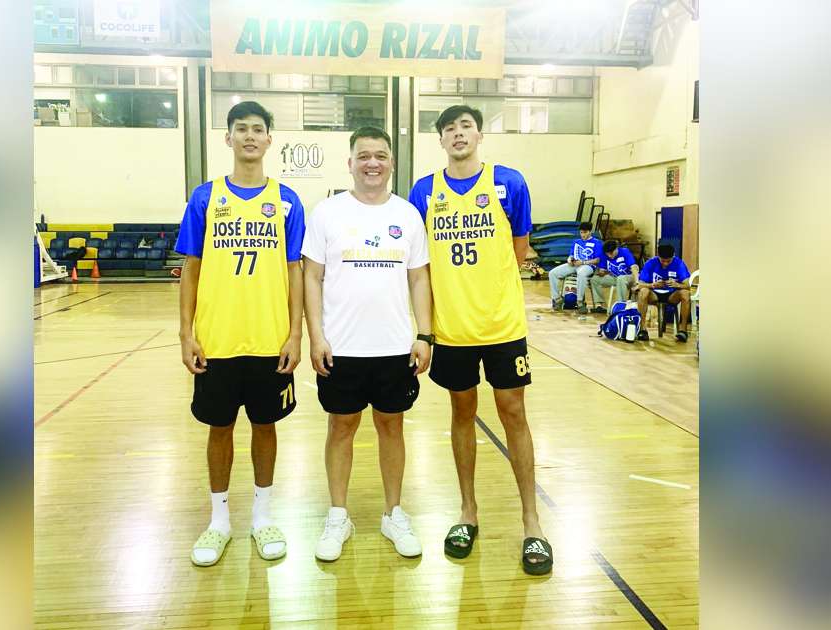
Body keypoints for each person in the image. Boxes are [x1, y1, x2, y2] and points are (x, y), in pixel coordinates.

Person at [408, 104, 552, 575]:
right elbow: (420, 265)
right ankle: (468, 513)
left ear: (479, 134)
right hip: (452, 331)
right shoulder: (424, 191)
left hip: (503, 327)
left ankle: (532, 522)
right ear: (441, 140)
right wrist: (426, 330)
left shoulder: (509, 182)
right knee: (462, 413)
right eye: (448, 129)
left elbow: (519, 249)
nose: (457, 134)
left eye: (465, 126)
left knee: (515, 415)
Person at [174, 101, 305, 566]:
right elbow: (191, 268)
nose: (250, 136)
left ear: (271, 140)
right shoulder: (205, 198)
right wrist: (185, 334)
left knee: (266, 426)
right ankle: (219, 520)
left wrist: (296, 335)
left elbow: (295, 271)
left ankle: (263, 516)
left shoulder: (287, 200)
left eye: (258, 129)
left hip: (270, 341)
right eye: (240, 129)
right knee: (219, 427)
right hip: (217, 340)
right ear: (227, 139)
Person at [302, 126, 433, 562]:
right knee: (341, 428)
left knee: (391, 427)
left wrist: (424, 333)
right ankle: (338, 514)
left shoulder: (408, 215)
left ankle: (393, 513)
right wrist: (316, 335)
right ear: (351, 162)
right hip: (341, 347)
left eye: (380, 155)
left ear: (391, 162)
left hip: (395, 347)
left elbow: (419, 278)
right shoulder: (327, 213)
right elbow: (312, 277)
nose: (372, 162)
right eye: (364, 155)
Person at [635, 243, 693, 342]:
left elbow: (687, 286)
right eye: (663, 261)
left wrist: (677, 285)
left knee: (685, 293)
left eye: (668, 261)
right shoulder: (650, 263)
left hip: (672, 295)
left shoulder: (679, 263)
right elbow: (639, 284)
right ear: (658, 256)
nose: (665, 263)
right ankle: (642, 329)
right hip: (654, 294)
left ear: (673, 256)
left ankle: (683, 330)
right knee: (643, 291)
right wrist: (652, 285)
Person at [547, 222, 603, 313]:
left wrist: (584, 262)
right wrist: (570, 259)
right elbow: (571, 255)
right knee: (552, 273)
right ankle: (556, 299)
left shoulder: (596, 243)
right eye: (581, 232)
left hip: (588, 265)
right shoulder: (576, 242)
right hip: (575, 264)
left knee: (581, 273)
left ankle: (580, 301)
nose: (583, 235)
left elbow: (597, 260)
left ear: (590, 232)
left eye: (585, 232)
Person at [590, 240, 640, 308]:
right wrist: (601, 272)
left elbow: (634, 267)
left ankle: (621, 305)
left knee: (621, 278)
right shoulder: (604, 255)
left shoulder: (624, 251)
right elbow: (602, 270)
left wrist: (637, 282)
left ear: (616, 248)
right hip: (615, 277)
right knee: (594, 279)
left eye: (611, 253)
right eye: (607, 254)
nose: (609, 256)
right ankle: (600, 305)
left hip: (630, 277)